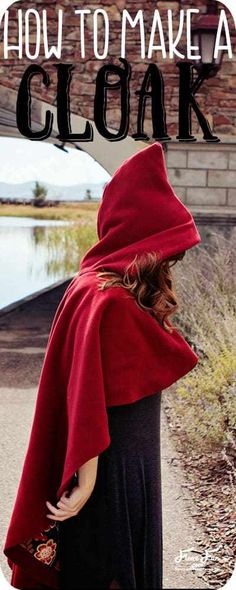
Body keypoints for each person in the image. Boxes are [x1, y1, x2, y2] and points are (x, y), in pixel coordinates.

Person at [4, 143, 201, 590]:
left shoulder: (92, 283)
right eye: (168, 242)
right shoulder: (111, 300)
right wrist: (87, 481)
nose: (172, 257)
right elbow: (91, 396)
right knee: (112, 568)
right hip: (117, 467)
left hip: (129, 458)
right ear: (145, 231)